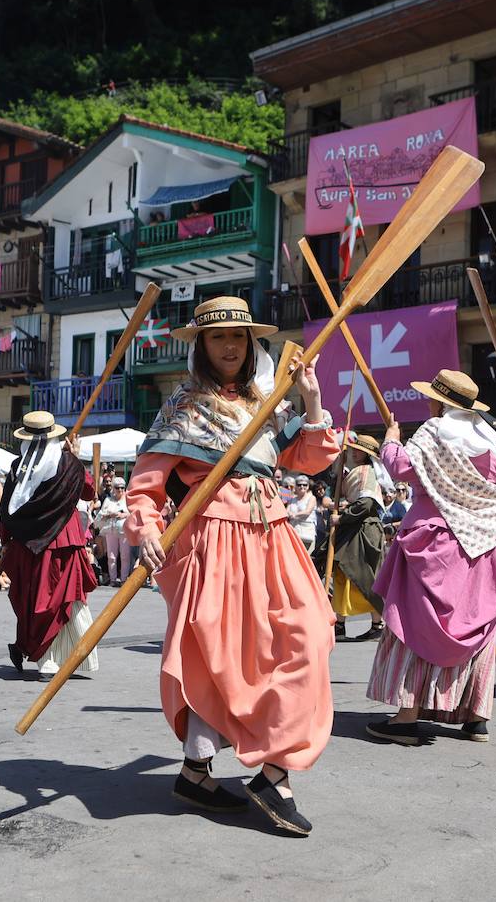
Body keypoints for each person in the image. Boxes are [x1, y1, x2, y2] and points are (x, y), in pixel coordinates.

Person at [125, 296, 335, 835]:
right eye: (218, 337)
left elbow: (309, 460)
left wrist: (311, 402)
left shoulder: (267, 403)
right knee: (219, 654)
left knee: (307, 637)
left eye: (238, 337)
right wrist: (146, 529)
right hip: (213, 539)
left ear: (250, 343)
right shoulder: (182, 407)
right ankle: (201, 772)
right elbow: (145, 486)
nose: (230, 346)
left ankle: (273, 770)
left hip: (275, 535)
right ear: (201, 345)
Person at [364, 370, 496, 747]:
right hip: (486, 544)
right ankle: (476, 715)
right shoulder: (494, 444)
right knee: (478, 629)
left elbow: (402, 469)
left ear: (439, 403)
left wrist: (390, 441)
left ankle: (406, 717)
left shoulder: (433, 433)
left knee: (419, 625)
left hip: (437, 541)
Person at [0, 411, 100, 681]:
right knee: (58, 600)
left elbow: (6, 512)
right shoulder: (69, 465)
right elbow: (90, 492)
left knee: (35, 600)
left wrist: (6, 541)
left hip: (29, 545)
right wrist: (76, 457)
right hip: (61, 542)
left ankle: (41, 653)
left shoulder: (17, 468)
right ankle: (47, 659)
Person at [327, 434, 386, 642]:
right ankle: (340, 623)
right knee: (344, 575)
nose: (354, 452)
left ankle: (377, 623)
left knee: (362, 576)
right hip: (353, 529)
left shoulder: (366, 472)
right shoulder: (354, 471)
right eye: (353, 448)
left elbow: (366, 504)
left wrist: (342, 518)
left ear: (368, 454)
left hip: (363, 529)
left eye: (359, 450)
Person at [95, 476, 132, 585]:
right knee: (111, 556)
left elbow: (133, 513)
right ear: (113, 488)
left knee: (125, 555)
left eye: (122, 487)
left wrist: (123, 514)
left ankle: (124, 578)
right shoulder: (108, 500)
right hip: (111, 530)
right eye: (117, 487)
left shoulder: (128, 500)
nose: (120, 490)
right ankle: (113, 579)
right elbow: (101, 514)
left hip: (124, 531)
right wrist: (110, 515)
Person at [286, 474, 318, 553]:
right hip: (293, 532)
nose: (302, 487)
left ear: (308, 487)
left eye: (305, 485)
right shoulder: (292, 499)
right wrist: (289, 514)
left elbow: (307, 512)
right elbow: (287, 511)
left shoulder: (312, 498)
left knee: (305, 560)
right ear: (296, 486)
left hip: (306, 534)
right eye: (299, 484)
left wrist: (294, 515)